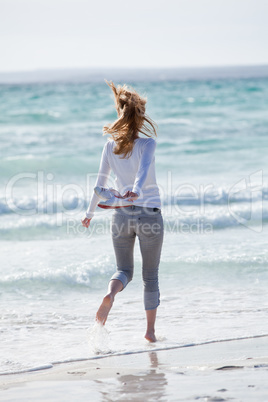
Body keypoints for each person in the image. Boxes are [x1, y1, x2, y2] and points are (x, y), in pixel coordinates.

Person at [81, 80, 164, 342]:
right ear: (140, 116)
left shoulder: (109, 147)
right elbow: (143, 170)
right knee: (149, 276)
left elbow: (99, 186)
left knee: (123, 270)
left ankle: (111, 294)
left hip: (121, 216)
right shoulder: (147, 144)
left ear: (120, 113)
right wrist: (138, 190)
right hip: (149, 212)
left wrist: (89, 214)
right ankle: (150, 332)